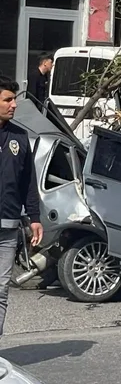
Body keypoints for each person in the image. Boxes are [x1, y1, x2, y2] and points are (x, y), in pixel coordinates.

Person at [0, 77, 43, 337]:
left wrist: (34, 216)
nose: (14, 104)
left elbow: (28, 180)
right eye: (7, 99)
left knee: (1, 289)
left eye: (14, 99)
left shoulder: (20, 136)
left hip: (8, 226)